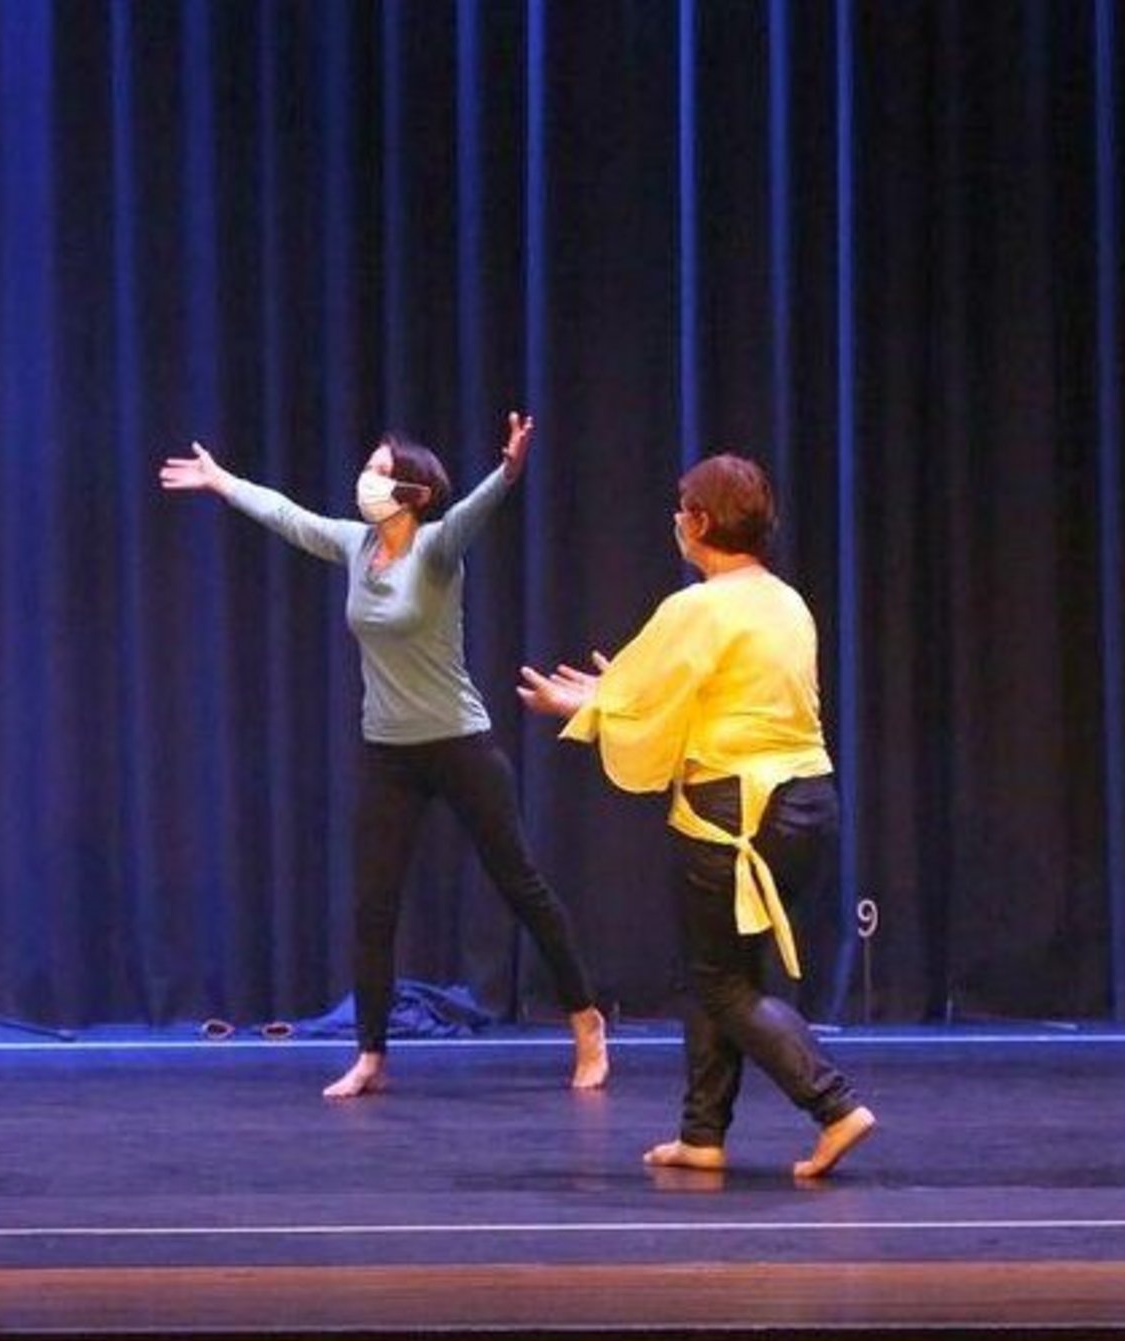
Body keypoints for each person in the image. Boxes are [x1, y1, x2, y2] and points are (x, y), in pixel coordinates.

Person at [160, 414, 609, 1099]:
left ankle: (587, 1023)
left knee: (520, 885)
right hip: (388, 752)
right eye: (366, 466)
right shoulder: (354, 544)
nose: (364, 480)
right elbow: (288, 515)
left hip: (460, 742)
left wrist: (510, 470)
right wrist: (221, 481)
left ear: (412, 491)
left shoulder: (435, 551)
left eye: (377, 469)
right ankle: (371, 1055)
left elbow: (473, 513)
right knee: (373, 906)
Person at [516, 452, 876, 1179]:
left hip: (735, 808)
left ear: (702, 521)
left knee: (718, 981)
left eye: (683, 507)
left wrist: (582, 703)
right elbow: (666, 690)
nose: (676, 520)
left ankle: (834, 1104)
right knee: (723, 972)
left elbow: (640, 700)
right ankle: (702, 1134)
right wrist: (613, 692)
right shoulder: (786, 599)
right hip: (808, 801)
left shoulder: (699, 607)